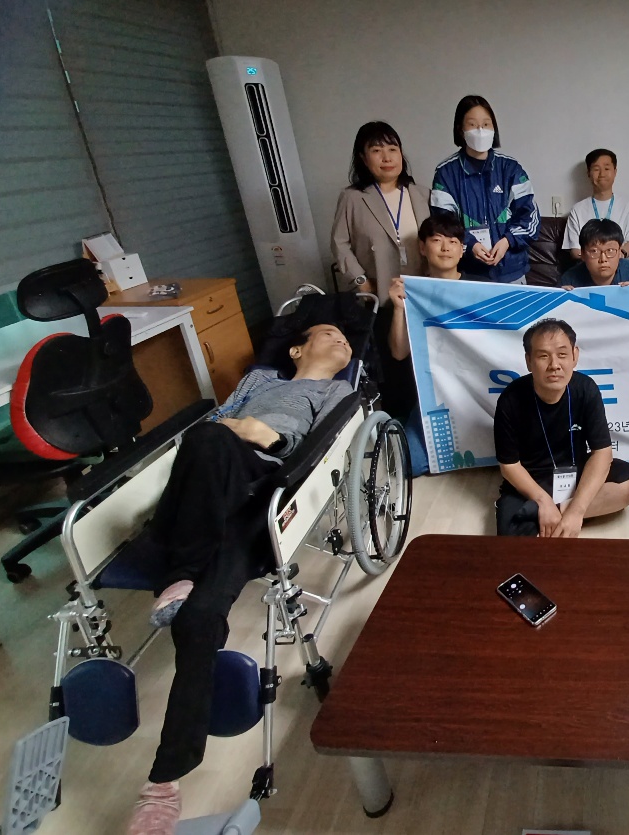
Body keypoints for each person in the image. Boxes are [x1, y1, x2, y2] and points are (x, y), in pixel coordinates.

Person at [127, 324, 355, 835]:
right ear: (296, 349)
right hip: (211, 482)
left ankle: (180, 571)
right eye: (327, 332)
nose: (341, 339)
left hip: (261, 489)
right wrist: (233, 426)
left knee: (198, 613)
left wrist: (265, 435)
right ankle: (164, 786)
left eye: (345, 337)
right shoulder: (258, 380)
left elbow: (316, 447)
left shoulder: (337, 392)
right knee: (198, 616)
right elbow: (214, 421)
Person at [493, 319, 629, 537]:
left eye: (562, 354)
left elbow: (602, 453)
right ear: (528, 361)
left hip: (577, 471)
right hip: (532, 480)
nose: (554, 365)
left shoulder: (586, 389)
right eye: (543, 356)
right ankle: (545, 513)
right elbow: (509, 466)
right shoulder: (510, 399)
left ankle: (550, 516)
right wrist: (542, 500)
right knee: (509, 537)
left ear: (575, 356)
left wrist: (577, 510)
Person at [330, 121, 431, 421]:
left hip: (422, 294)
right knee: (393, 370)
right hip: (381, 299)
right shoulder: (353, 197)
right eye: (376, 150)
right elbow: (339, 243)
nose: (387, 157)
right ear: (363, 158)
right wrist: (361, 281)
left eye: (392, 148)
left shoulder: (421, 193)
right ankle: (397, 427)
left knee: (425, 367)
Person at [386, 212, 486, 476]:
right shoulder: (408, 291)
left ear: (462, 249)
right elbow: (398, 353)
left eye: (453, 241)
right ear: (422, 247)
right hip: (434, 395)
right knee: (410, 464)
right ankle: (407, 423)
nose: (445, 248)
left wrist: (560, 296)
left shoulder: (483, 288)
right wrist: (398, 308)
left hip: (479, 389)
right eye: (437, 240)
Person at [430, 94, 540, 283]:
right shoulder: (446, 173)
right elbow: (443, 224)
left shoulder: (511, 169)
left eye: (486, 124)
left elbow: (529, 216)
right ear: (460, 129)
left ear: (494, 128)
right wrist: (470, 244)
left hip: (511, 271)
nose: (480, 130)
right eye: (472, 124)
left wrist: (507, 241)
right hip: (467, 273)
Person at [563, 148, 629, 259]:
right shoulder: (577, 210)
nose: (602, 174)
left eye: (607, 168)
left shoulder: (628, 207)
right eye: (596, 169)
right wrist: (594, 260)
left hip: (621, 263)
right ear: (588, 173)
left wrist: (617, 257)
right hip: (589, 266)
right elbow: (575, 250)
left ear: (615, 172)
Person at [560, 219, 629, 289]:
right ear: (583, 254)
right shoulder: (569, 279)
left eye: (610, 250)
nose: (603, 259)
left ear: (619, 252)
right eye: (594, 251)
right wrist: (560, 300)